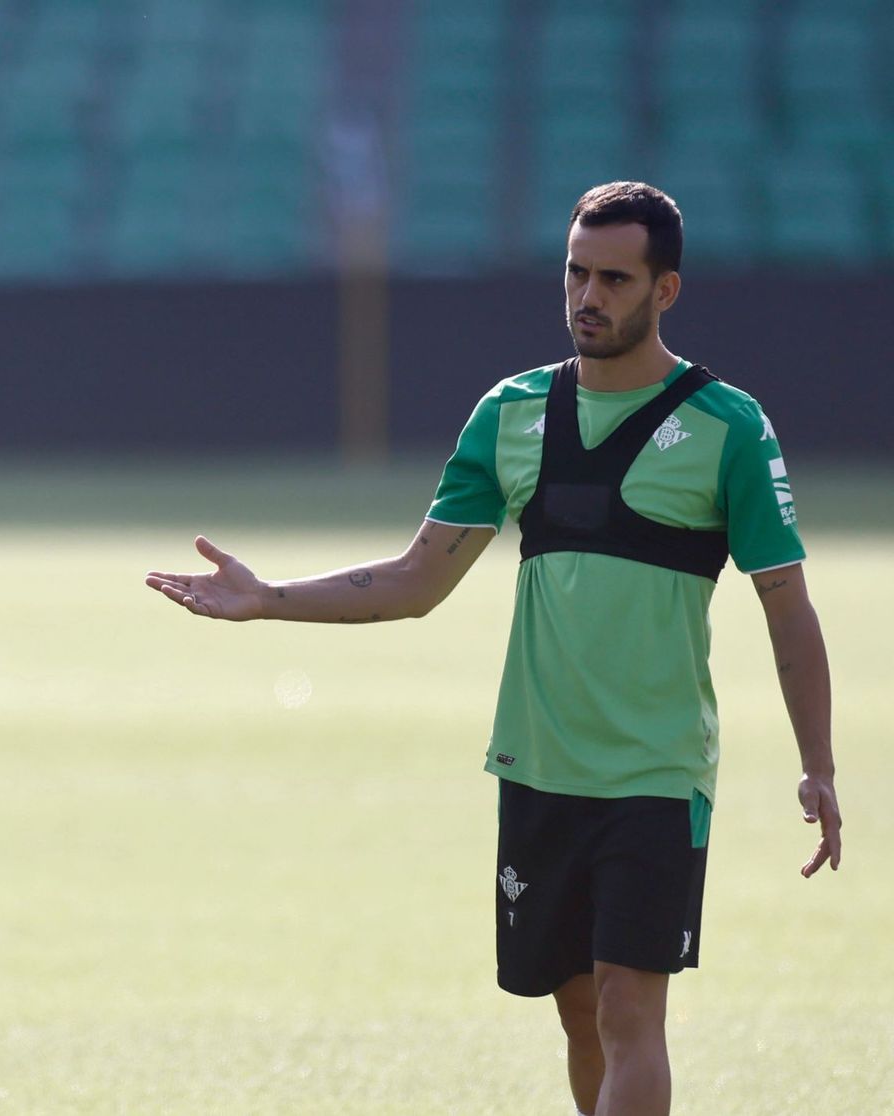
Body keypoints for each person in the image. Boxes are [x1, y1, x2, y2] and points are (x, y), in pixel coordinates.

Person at [145, 182, 840, 1116]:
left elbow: (786, 604)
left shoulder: (727, 428)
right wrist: (270, 600)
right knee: (582, 1016)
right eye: (576, 273)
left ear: (665, 290)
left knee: (635, 1013)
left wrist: (818, 764)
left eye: (615, 279)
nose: (588, 296)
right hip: (539, 767)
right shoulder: (509, 413)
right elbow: (417, 578)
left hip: (658, 772)